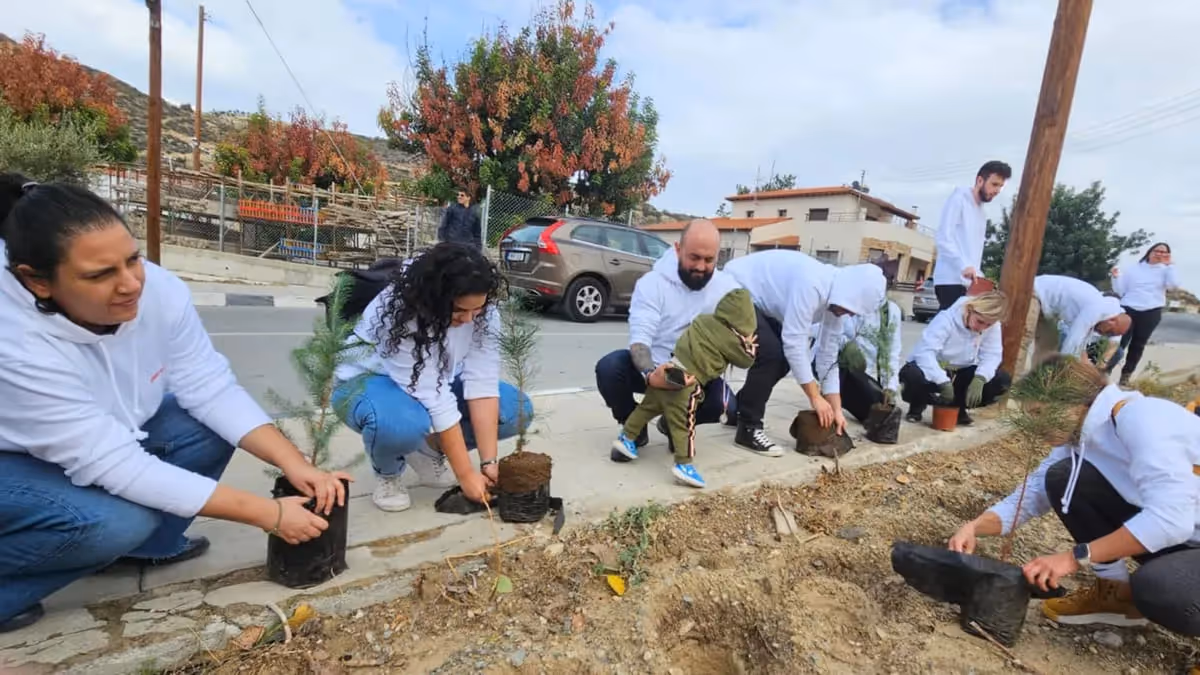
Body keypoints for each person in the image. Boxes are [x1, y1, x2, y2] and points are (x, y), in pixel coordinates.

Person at [0, 175, 349, 634]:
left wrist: (293, 460)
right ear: (37, 282)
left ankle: (145, 547)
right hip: (14, 460)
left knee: (207, 428)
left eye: (132, 261)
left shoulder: (158, 291)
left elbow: (209, 386)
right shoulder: (14, 341)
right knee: (117, 521)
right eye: (100, 275)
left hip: (100, 437)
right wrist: (268, 514)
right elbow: (116, 467)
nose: (130, 285)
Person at [949, 355, 1200, 639]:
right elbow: (1033, 492)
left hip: (1183, 532)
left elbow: (1172, 520)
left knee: (1161, 588)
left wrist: (1073, 557)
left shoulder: (1140, 419)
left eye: (1039, 414)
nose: (1035, 426)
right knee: (1061, 476)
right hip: (1185, 540)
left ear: (1072, 403)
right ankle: (1116, 597)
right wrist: (975, 526)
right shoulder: (1080, 436)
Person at [332, 242, 533, 512]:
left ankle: (426, 451)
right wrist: (465, 476)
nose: (470, 319)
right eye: (459, 311)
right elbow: (434, 397)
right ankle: (389, 473)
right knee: (401, 423)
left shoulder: (482, 312)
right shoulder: (400, 312)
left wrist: (488, 464)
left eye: (477, 310)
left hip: (433, 381)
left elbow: (482, 382)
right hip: (368, 383)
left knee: (515, 409)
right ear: (434, 300)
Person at [594, 219, 740, 463]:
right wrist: (652, 375)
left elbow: (741, 330)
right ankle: (634, 428)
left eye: (709, 260)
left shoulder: (727, 289)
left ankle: (673, 424)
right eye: (694, 257)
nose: (701, 267)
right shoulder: (652, 284)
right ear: (677, 249)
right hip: (655, 368)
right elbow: (640, 341)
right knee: (609, 368)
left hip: (696, 375)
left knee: (724, 405)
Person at [723, 249, 887, 454]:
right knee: (773, 354)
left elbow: (828, 358)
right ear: (848, 294)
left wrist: (836, 409)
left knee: (783, 360)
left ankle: (740, 409)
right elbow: (793, 342)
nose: (848, 314)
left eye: (853, 311)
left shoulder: (836, 300)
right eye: (849, 308)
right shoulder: (813, 284)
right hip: (735, 288)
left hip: (762, 304)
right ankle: (748, 428)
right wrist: (815, 397)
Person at [611, 288, 758, 488]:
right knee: (684, 425)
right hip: (687, 383)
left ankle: (626, 438)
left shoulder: (703, 320)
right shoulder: (732, 339)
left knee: (646, 408)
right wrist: (749, 344)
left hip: (669, 370)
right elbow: (746, 361)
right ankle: (684, 464)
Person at [899, 290, 1012, 426]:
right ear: (970, 310)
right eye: (980, 322)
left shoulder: (992, 325)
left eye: (988, 325)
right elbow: (925, 352)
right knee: (912, 375)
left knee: (1001, 380)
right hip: (936, 367)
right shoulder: (946, 319)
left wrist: (981, 378)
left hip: (961, 371)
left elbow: (992, 354)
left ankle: (958, 408)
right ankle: (917, 403)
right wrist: (942, 381)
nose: (982, 328)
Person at [930, 161, 1012, 310]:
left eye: (1001, 186)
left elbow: (974, 252)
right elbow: (943, 237)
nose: (998, 190)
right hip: (950, 279)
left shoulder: (981, 212)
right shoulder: (959, 199)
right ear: (980, 180)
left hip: (969, 282)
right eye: (994, 184)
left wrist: (979, 277)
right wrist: (963, 266)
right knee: (949, 327)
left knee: (965, 331)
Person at [1018, 275, 1130, 371]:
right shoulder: (1098, 309)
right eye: (1109, 333)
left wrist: (1090, 370)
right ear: (1112, 320)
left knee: (1048, 346)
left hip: (1047, 308)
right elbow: (1072, 343)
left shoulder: (1104, 315)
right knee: (1022, 339)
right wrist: (1065, 373)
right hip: (1034, 291)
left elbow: (1081, 348)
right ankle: (1007, 386)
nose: (1104, 335)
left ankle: (1035, 384)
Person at [1107, 242, 1179, 386]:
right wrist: (1115, 277)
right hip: (1128, 308)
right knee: (1118, 342)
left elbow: (1174, 285)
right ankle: (1104, 372)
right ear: (1150, 252)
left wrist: (1170, 265)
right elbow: (1121, 290)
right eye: (1157, 250)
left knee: (1138, 345)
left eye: (1164, 252)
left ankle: (1125, 377)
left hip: (1151, 311)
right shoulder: (1134, 269)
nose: (1160, 254)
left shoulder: (1166, 270)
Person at [834, 298, 902, 424]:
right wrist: (846, 345)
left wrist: (890, 387)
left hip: (868, 376)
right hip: (842, 367)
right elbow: (819, 330)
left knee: (875, 413)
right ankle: (832, 398)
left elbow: (892, 352)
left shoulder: (890, 311)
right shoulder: (845, 300)